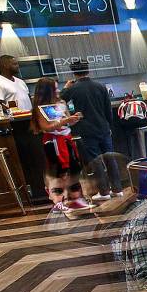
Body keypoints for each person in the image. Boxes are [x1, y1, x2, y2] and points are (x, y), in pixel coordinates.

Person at [60, 60, 122, 201]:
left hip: (87, 130)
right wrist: (109, 126)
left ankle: (104, 192)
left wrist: (66, 87)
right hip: (104, 127)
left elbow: (59, 99)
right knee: (109, 157)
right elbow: (108, 109)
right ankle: (118, 189)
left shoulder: (74, 88)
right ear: (88, 70)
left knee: (96, 160)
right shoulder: (100, 86)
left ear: (73, 72)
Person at [30, 77, 92, 214]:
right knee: (59, 173)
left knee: (74, 170)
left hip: (67, 139)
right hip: (53, 142)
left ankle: (76, 199)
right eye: (55, 88)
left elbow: (67, 122)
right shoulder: (40, 109)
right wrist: (66, 120)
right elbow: (47, 127)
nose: (58, 90)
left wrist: (73, 119)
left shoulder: (61, 103)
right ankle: (59, 202)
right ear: (48, 91)